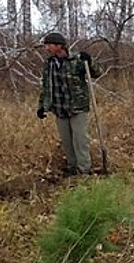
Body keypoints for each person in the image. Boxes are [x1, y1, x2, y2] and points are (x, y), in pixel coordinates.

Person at [36, 32, 101, 176]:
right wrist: (42, 106)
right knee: (67, 141)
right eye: (46, 45)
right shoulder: (49, 64)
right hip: (59, 108)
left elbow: (97, 73)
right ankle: (72, 168)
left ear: (59, 46)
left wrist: (89, 61)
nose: (46, 48)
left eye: (49, 45)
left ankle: (84, 170)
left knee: (80, 140)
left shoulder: (77, 60)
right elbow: (46, 86)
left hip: (78, 108)